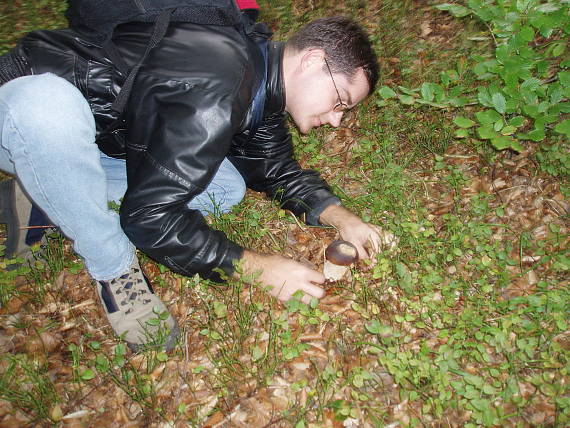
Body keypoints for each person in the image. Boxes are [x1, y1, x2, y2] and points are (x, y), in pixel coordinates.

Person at [0, 7, 393, 351]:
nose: (338, 117)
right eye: (340, 100)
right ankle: (113, 268)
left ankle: (46, 190)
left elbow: (274, 169)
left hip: (102, 138)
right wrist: (259, 269)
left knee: (226, 188)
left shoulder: (260, 70)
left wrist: (344, 219)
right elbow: (150, 218)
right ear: (312, 60)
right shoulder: (219, 82)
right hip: (24, 111)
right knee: (46, 108)